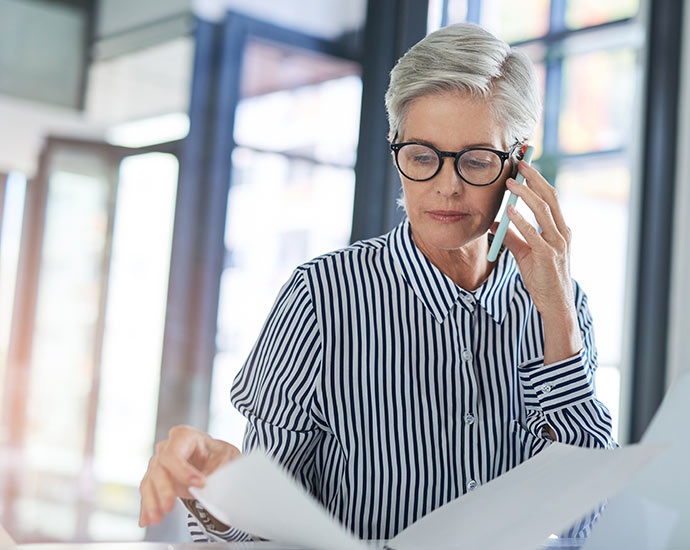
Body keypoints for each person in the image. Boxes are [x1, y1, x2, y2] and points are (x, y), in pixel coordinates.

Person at [138, 22, 616, 542]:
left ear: (519, 163)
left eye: (477, 160)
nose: (447, 186)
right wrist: (223, 494)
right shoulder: (322, 298)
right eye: (421, 157)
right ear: (397, 152)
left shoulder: (563, 309)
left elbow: (579, 524)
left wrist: (558, 318)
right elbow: (261, 535)